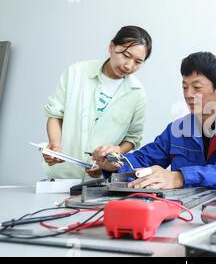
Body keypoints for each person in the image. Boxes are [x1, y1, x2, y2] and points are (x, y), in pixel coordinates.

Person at [92, 52, 216, 194]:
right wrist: (115, 164)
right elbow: (144, 158)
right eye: (184, 87)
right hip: (191, 209)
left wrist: (179, 177)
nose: (188, 94)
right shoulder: (177, 129)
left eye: (196, 88)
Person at [43, 26, 152, 180]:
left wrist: (114, 153)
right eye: (126, 55)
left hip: (100, 180)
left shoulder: (137, 94)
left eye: (138, 62)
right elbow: (55, 114)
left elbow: (132, 139)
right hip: (62, 174)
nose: (129, 65)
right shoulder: (76, 72)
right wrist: (55, 145)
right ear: (111, 46)